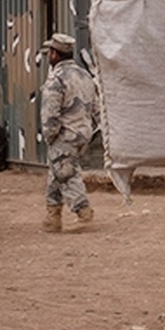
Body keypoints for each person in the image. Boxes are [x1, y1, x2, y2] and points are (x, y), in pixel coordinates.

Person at [40, 33, 100, 231]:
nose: (49, 54)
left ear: (55, 55)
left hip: (64, 135)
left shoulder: (56, 79)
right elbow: (96, 108)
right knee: (56, 173)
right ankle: (53, 217)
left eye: (50, 51)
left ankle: (84, 214)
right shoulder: (84, 75)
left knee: (66, 174)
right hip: (83, 133)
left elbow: (50, 113)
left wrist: (49, 135)